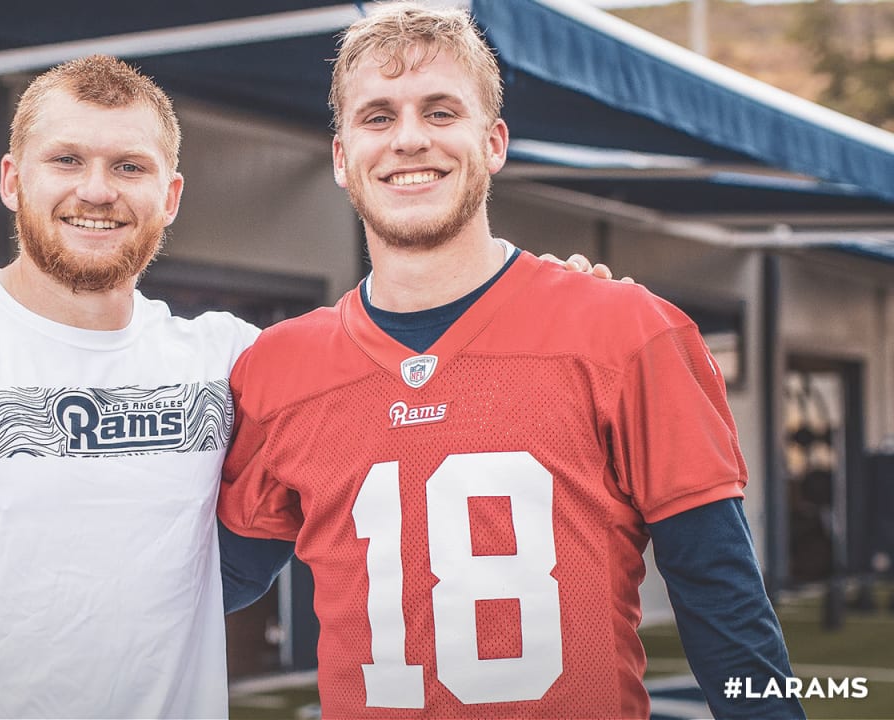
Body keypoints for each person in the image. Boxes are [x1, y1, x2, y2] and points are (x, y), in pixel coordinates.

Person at [0, 50, 611, 718]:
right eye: (66, 159)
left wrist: (548, 300)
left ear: (170, 195)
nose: (97, 189)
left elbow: (413, 365)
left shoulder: (230, 359)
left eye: (129, 166)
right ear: (11, 180)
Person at [217, 4, 804, 719]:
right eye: (377, 117)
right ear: (342, 157)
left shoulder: (629, 332)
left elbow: (725, 604)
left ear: (493, 142)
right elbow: (216, 579)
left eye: (440, 112)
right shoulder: (277, 368)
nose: (408, 139)